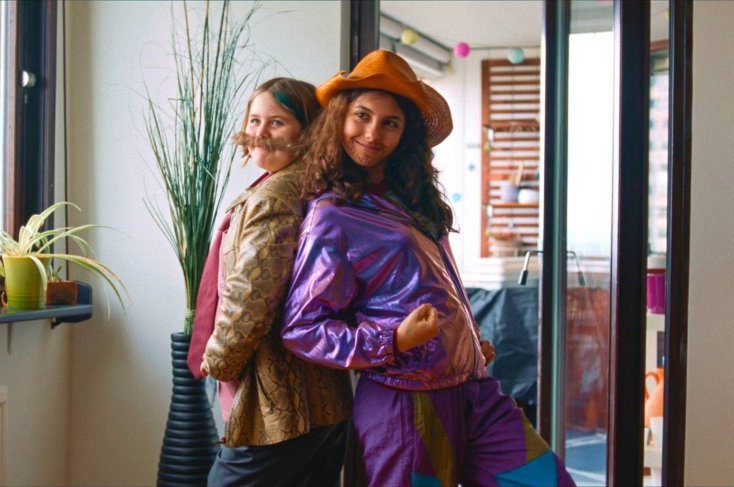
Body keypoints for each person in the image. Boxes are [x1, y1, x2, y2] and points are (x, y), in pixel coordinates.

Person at [281, 50, 575, 487]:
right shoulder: (333, 215)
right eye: (362, 115)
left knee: (546, 481)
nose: (373, 133)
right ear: (340, 118)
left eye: (390, 123)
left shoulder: (412, 200)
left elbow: (430, 283)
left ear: (405, 135)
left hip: (473, 389)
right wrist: (393, 340)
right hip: (406, 401)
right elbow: (302, 328)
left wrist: (466, 341)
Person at [188, 77, 353, 487]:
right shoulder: (310, 185)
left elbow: (252, 296)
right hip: (322, 400)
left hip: (278, 404)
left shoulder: (276, 196)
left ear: (309, 132)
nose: (260, 132)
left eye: (277, 122)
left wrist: (218, 360)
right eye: (255, 120)